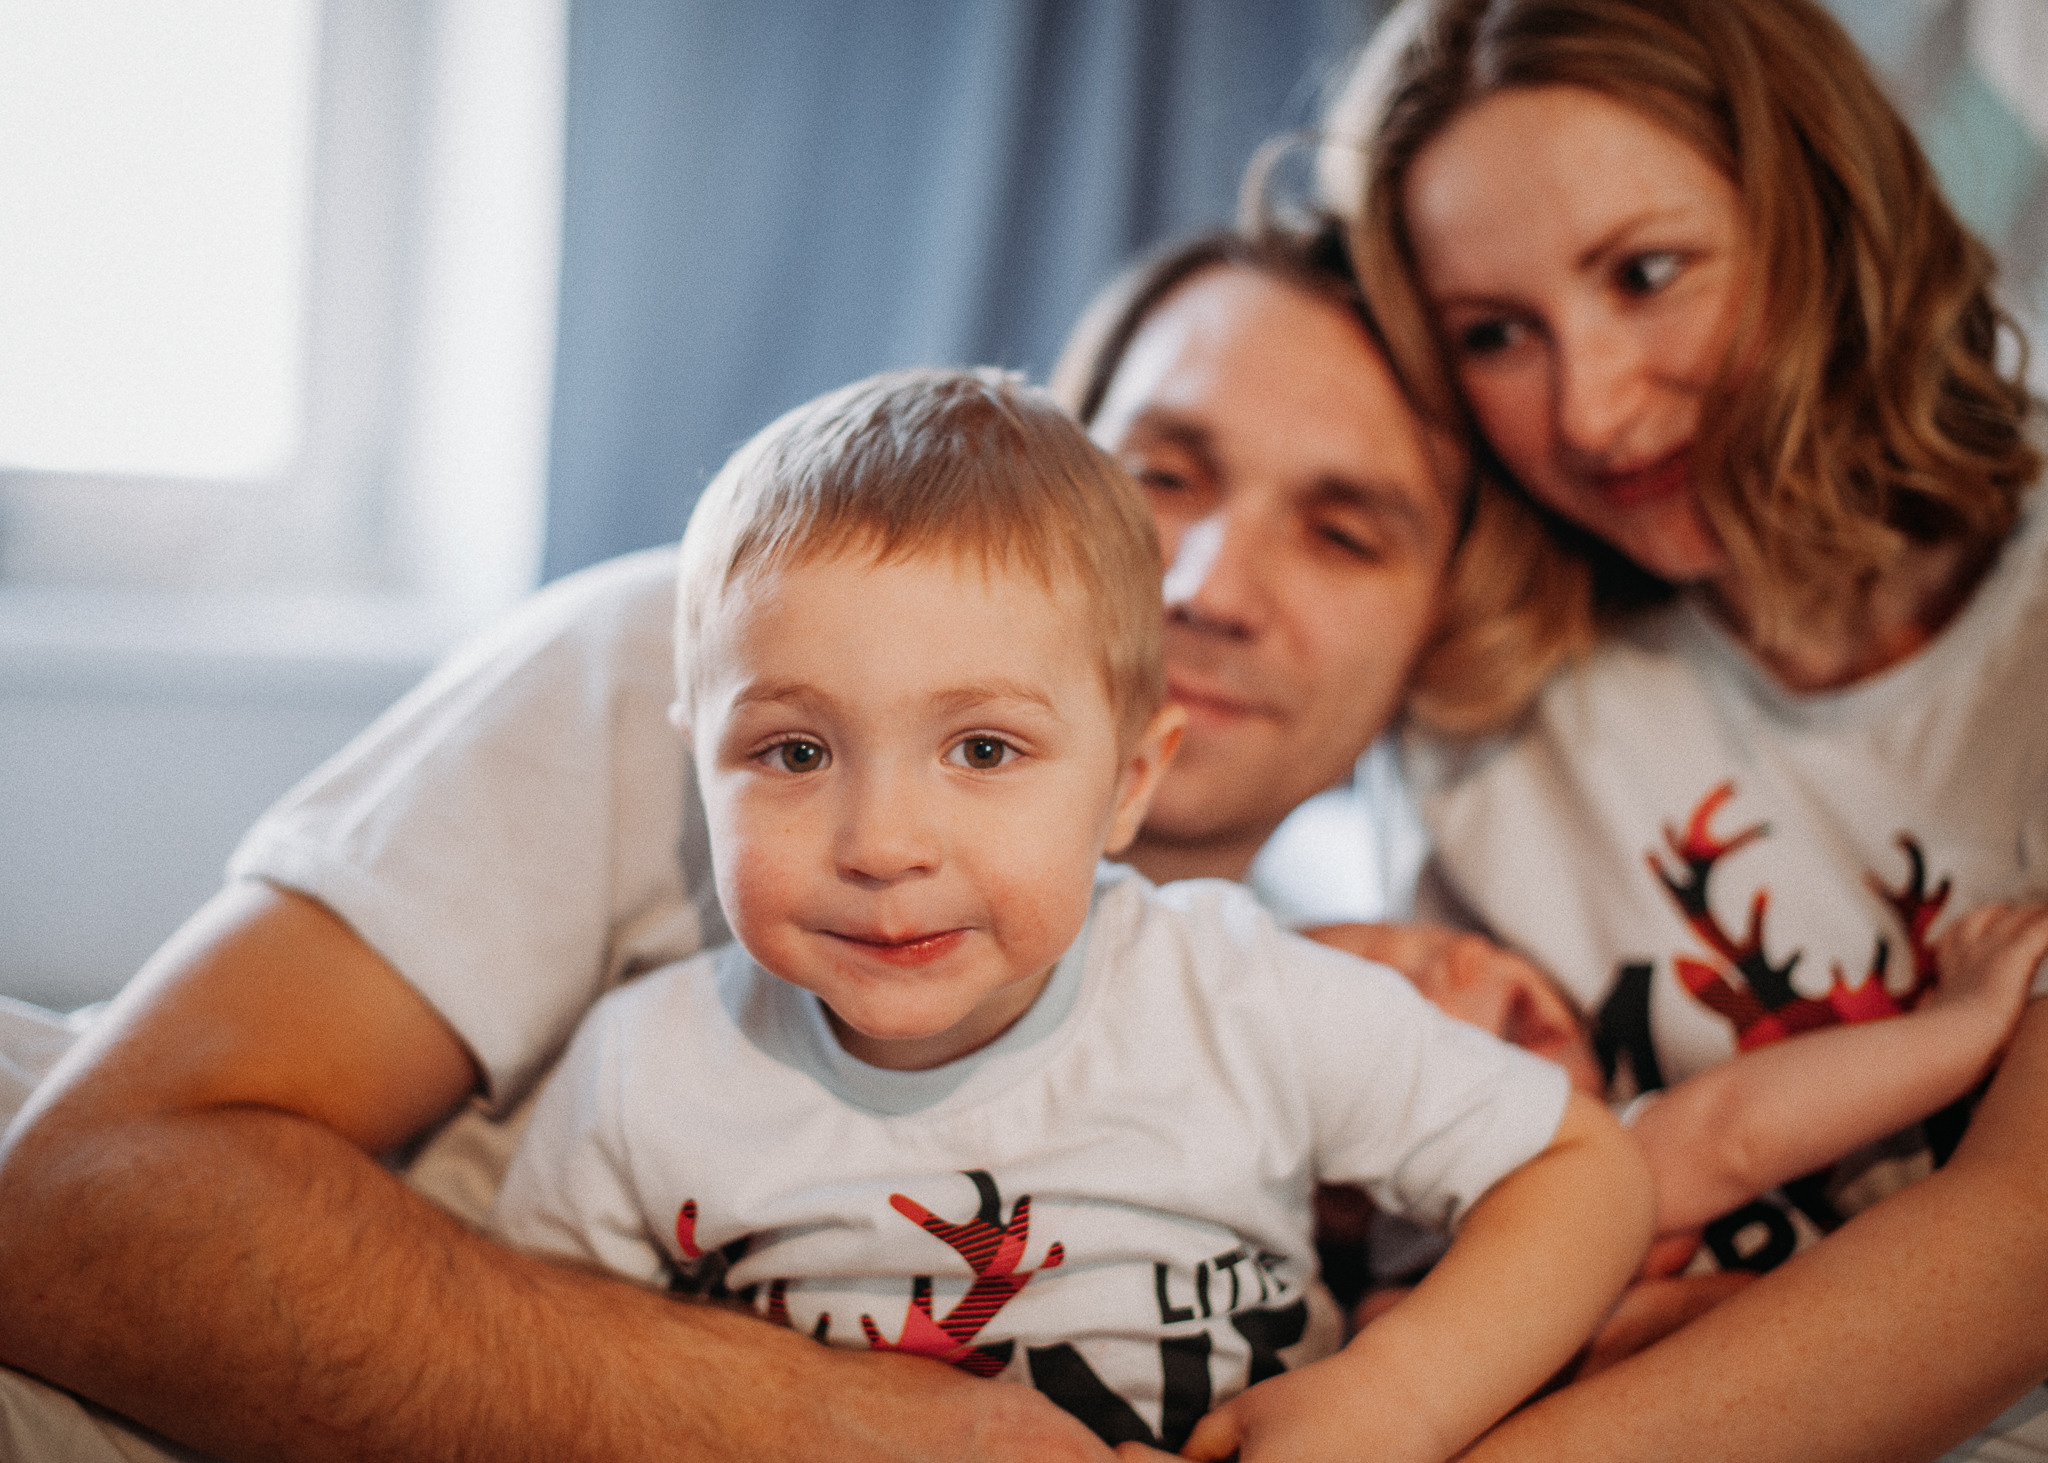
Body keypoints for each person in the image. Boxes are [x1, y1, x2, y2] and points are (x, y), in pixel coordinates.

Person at [0, 220, 1518, 1462]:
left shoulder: (1318, 1010)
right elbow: (78, 1202)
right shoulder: (667, 657)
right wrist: (830, 1417)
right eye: (1164, 472)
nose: (1205, 577)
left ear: (1438, 631)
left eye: (1345, 529)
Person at [488, 365, 1650, 1461]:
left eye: (982, 747)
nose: (882, 845)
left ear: (1128, 782)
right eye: (793, 751)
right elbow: (534, 1364)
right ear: (702, 764)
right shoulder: (642, 1074)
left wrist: (1396, 1395)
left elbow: (1575, 1167)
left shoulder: (1236, 993)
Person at [1323, 0, 2048, 1457]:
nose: (1590, 409)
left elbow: (2021, 1246)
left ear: (1825, 221)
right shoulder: (1491, 726)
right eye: (1495, 334)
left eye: (1647, 273)